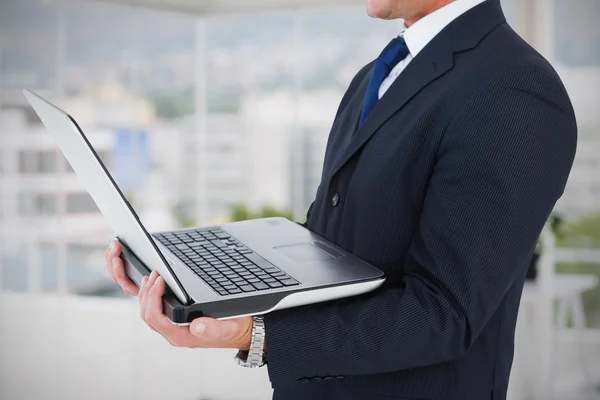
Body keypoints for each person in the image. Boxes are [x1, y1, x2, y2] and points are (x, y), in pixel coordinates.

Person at [105, 0, 578, 398]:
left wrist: (257, 335)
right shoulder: (377, 75)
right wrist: (213, 284)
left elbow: (444, 314)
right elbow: (330, 245)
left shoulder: (513, 88)